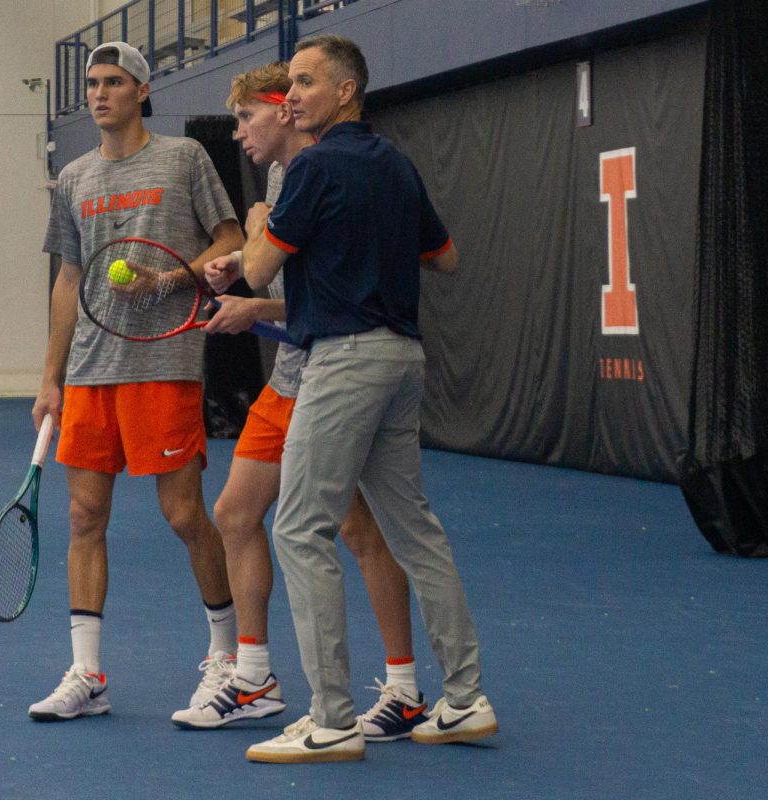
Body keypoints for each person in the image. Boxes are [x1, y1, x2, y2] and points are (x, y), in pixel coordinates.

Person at [215, 35, 499, 763]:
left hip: (343, 363)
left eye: (306, 83)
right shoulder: (394, 165)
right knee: (414, 531)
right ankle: (464, 701)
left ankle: (332, 718)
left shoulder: (309, 167)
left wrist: (254, 224)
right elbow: (449, 258)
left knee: (299, 529)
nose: (293, 96)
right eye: (291, 87)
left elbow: (256, 268)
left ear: (345, 92)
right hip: (404, 359)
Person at [170, 62, 431, 745]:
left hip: (335, 377)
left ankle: (403, 689)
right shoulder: (283, 181)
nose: (239, 132)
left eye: (246, 118)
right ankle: (255, 678)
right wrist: (251, 268)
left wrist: (254, 296)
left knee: (359, 532)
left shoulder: (324, 175)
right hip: (290, 377)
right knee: (234, 511)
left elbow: (332, 299)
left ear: (285, 112)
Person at [28, 41, 245, 722]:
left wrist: (170, 280)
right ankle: (87, 674)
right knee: (84, 515)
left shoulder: (183, 159)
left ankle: (227, 658)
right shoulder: (74, 177)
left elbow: (230, 239)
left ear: (142, 92)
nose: (99, 94)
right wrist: (50, 378)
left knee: (184, 516)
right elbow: (69, 279)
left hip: (163, 363)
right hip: (92, 372)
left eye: (114, 82)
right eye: (92, 83)